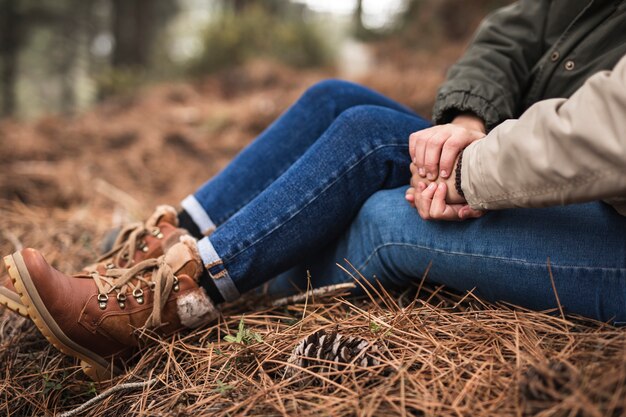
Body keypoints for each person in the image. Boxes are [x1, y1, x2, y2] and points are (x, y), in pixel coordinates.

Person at [1, 0, 625, 381]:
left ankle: (174, 300)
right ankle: (168, 247)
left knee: (382, 199)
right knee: (334, 100)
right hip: (534, 158)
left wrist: (470, 170)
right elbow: (509, 35)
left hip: (604, 216)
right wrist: (467, 122)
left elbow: (610, 132)